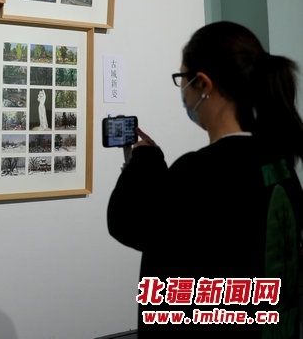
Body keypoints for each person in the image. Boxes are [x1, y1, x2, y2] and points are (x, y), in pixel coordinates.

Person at [107, 21, 303, 337]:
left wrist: (144, 161)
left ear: (203, 84)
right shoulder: (279, 164)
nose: (182, 92)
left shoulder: (200, 172)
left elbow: (128, 223)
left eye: (182, 79)